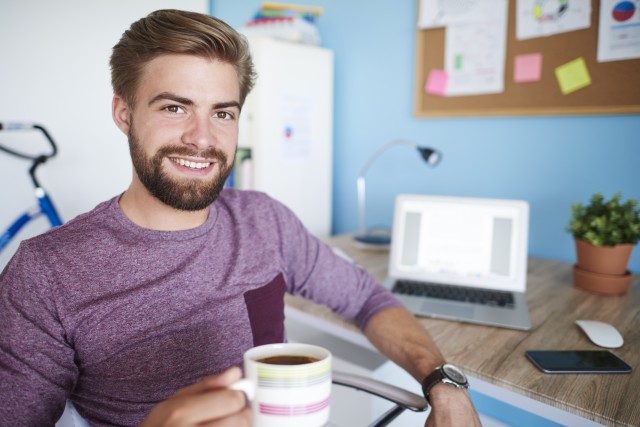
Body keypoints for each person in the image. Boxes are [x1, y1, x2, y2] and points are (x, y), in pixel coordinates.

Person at [0, 9, 481, 427]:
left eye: (223, 114)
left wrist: (444, 382)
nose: (202, 138)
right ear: (124, 113)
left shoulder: (264, 220)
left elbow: (368, 300)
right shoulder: (45, 274)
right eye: (174, 107)